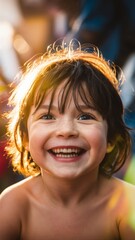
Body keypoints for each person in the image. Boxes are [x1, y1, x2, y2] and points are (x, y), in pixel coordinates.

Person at [0, 39, 135, 239]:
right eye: (47, 117)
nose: (66, 130)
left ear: (111, 138)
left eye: (85, 117)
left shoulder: (127, 204)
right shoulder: (14, 204)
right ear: (25, 137)